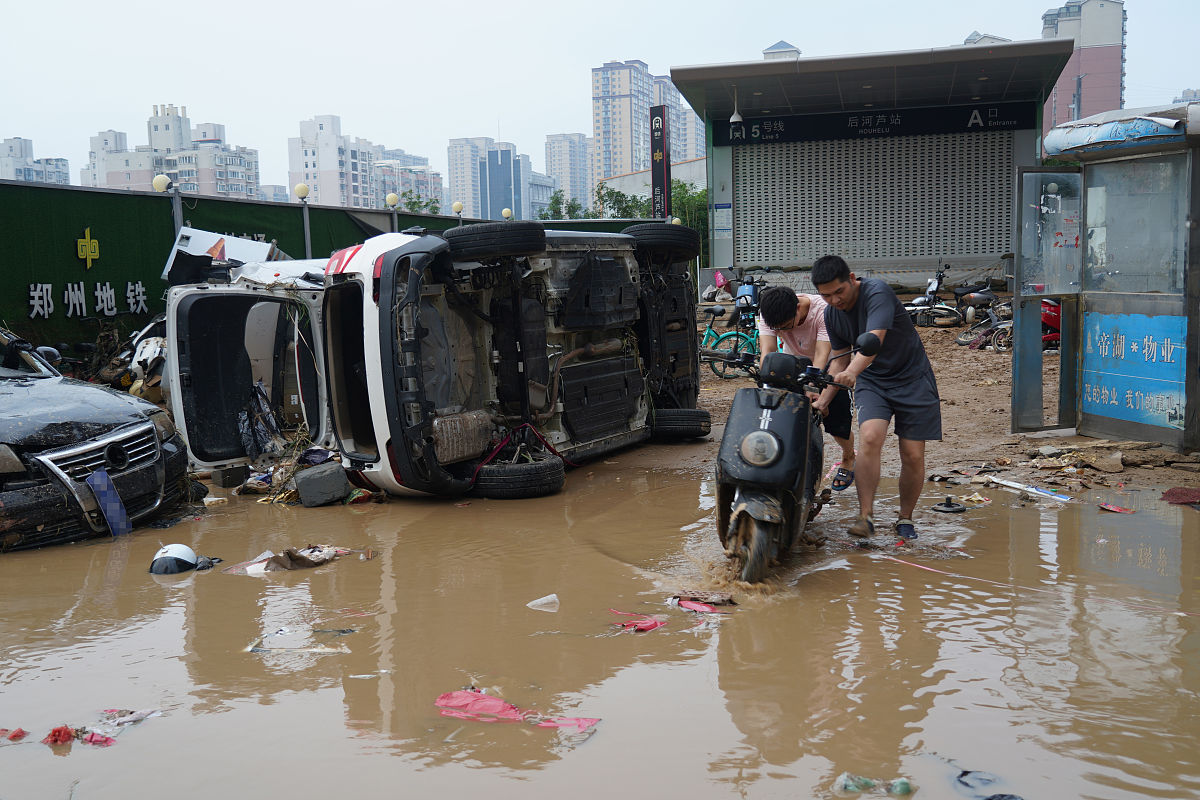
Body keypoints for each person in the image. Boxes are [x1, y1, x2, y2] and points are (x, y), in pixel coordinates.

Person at [809, 255, 941, 540]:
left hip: (913, 378)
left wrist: (852, 372)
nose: (834, 300)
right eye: (826, 296)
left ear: (852, 279)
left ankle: (905, 518)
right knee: (869, 437)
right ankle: (865, 517)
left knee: (912, 453)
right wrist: (823, 400)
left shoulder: (877, 292)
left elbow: (874, 339)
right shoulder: (831, 314)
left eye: (839, 292)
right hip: (873, 380)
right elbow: (838, 360)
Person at [757, 286, 856, 492]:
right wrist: (766, 381)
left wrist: (814, 388)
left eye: (786, 327)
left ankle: (849, 457)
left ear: (798, 308)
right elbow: (768, 351)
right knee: (782, 417)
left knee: (836, 422)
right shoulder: (769, 313)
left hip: (828, 367)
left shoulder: (823, 311)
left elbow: (821, 354)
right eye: (778, 329)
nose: (783, 332)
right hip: (792, 366)